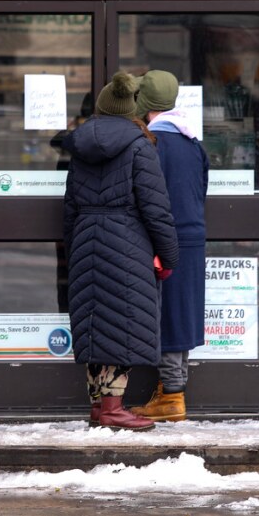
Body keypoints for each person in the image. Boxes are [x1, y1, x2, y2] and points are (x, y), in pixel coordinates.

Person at [62, 71, 179, 431]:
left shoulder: (79, 145)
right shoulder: (139, 146)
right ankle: (114, 408)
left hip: (86, 238)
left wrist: (74, 246)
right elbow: (155, 208)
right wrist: (169, 255)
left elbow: (70, 205)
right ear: (132, 108)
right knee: (122, 321)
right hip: (126, 241)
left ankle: (99, 405)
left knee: (97, 322)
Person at [130, 70, 209, 422]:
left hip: (163, 238)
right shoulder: (192, 142)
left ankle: (172, 396)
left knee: (168, 316)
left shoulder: (152, 143)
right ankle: (172, 389)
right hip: (192, 236)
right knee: (182, 312)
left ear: (144, 103)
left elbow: (145, 198)